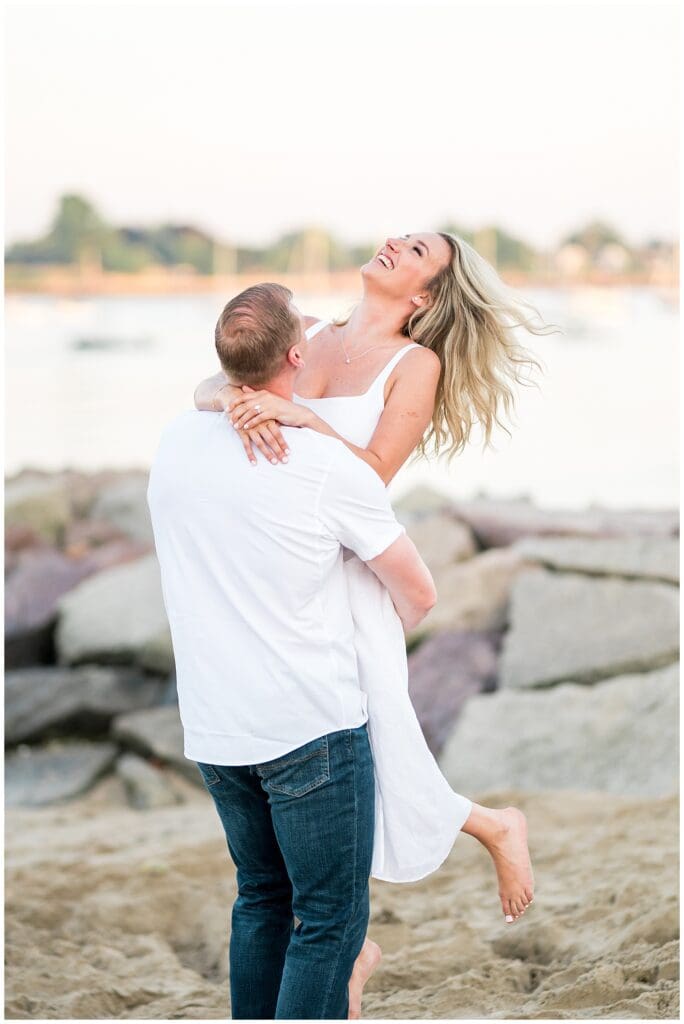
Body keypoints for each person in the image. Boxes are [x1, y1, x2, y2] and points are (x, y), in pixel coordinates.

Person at [194, 231, 551, 1017]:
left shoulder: (413, 364)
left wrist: (296, 423)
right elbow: (204, 392)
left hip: (350, 576)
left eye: (417, 250)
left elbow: (374, 475)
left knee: (364, 750)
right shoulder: (307, 331)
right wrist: (233, 399)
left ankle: (489, 831)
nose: (395, 242)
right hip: (286, 570)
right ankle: (357, 948)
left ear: (424, 297)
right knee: (358, 763)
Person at [147, 282, 440, 1020]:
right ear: (299, 355)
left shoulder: (175, 441)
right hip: (309, 724)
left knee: (260, 899)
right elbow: (420, 593)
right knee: (329, 922)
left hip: (215, 727)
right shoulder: (322, 465)